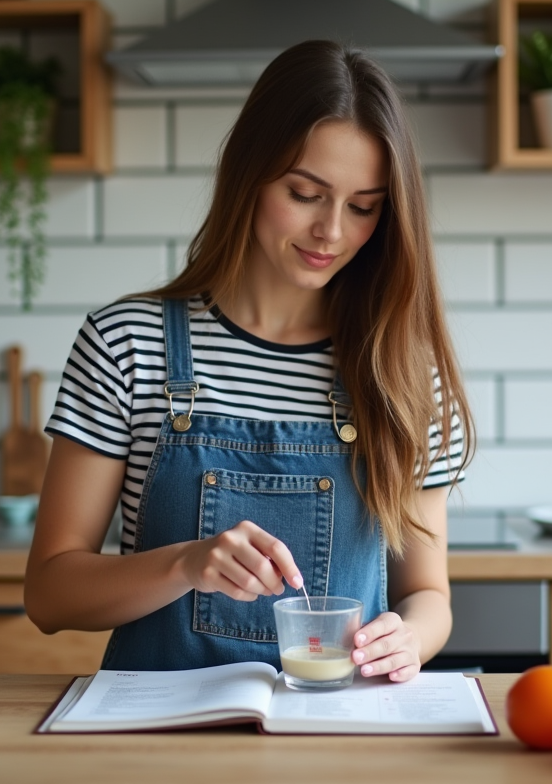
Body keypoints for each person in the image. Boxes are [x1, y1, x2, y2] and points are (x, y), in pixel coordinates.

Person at [25, 40, 473, 683]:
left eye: (363, 207)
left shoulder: (403, 373)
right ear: (248, 173)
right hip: (161, 740)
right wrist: (185, 564)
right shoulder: (127, 343)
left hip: (340, 735)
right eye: (305, 193)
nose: (332, 232)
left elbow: (429, 595)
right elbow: (49, 594)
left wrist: (412, 639)